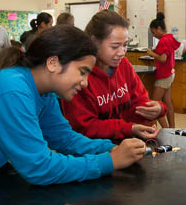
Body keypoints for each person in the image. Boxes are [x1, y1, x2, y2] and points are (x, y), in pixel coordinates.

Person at [0, 26, 146, 199]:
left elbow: (64, 139)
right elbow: (38, 167)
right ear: (53, 63)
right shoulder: (11, 88)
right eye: (82, 72)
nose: (85, 83)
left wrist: (113, 148)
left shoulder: (44, 91)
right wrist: (109, 162)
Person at [61, 10, 167, 141]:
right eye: (115, 46)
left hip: (126, 143)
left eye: (125, 45)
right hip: (95, 153)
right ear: (94, 42)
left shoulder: (124, 65)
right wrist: (128, 128)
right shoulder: (79, 76)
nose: (122, 52)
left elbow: (138, 102)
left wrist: (157, 108)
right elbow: (84, 127)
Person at [146, 12, 180, 128]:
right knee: (168, 103)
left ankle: (165, 130)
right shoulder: (170, 38)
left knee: (154, 105)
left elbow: (163, 59)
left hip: (164, 75)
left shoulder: (163, 41)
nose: (154, 35)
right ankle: (172, 129)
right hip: (169, 73)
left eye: (154, 32)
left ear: (159, 28)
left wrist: (151, 53)